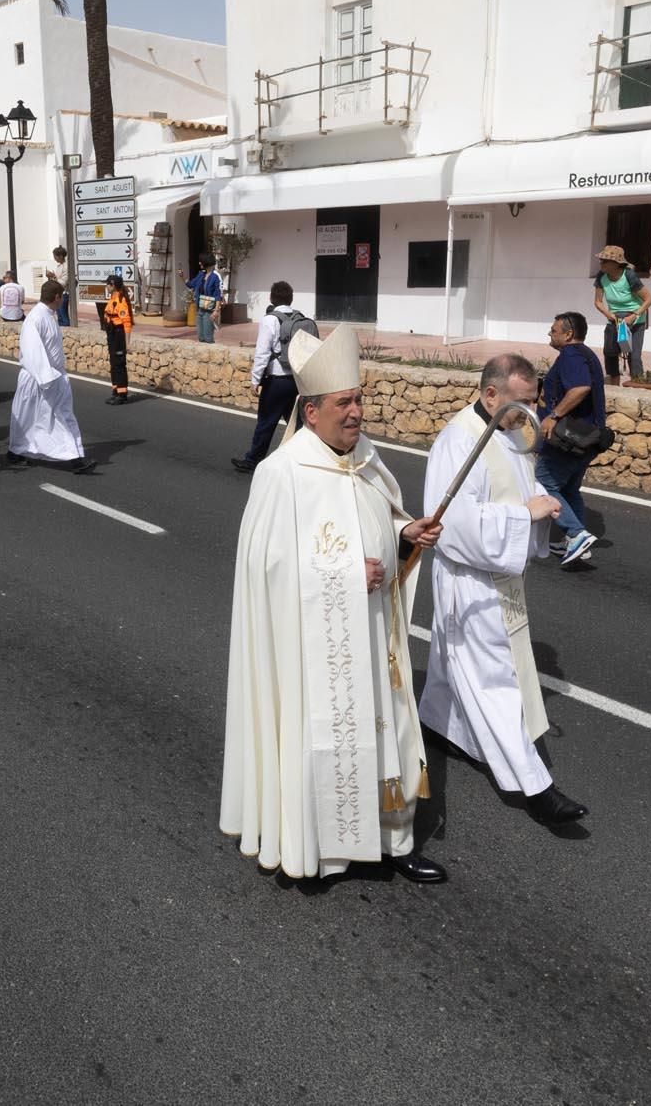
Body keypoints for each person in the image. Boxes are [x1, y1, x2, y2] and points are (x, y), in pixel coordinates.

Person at [220, 323, 447, 883]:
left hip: (375, 637)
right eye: (345, 402)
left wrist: (403, 537)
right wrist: (343, 576)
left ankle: (397, 842)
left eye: (360, 399)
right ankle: (316, 848)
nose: (357, 413)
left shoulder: (366, 459)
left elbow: (381, 526)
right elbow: (262, 570)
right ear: (312, 410)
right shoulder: (282, 474)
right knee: (320, 735)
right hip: (314, 648)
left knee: (387, 728)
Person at [419, 353, 589, 827]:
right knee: (497, 679)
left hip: (501, 574)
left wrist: (542, 501)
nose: (528, 415)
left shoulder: (509, 429)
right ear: (490, 395)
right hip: (471, 579)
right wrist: (524, 516)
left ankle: (439, 722)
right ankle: (536, 787)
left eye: (533, 404)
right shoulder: (458, 442)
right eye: (519, 404)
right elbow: (451, 523)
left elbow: (518, 484)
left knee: (451, 659)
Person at [536, 312, 608, 567]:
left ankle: (577, 534)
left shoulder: (571, 355)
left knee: (542, 483)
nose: (549, 333)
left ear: (568, 334)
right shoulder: (586, 354)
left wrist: (553, 416)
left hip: (569, 439)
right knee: (568, 488)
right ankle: (575, 540)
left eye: (554, 330)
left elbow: (580, 388)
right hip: (587, 438)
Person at [8, 280, 96, 474]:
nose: (62, 299)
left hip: (50, 377)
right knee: (28, 417)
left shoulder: (48, 315)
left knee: (60, 416)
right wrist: (46, 378)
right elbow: (32, 350)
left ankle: (75, 457)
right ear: (56, 297)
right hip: (39, 377)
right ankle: (17, 452)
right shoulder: (36, 318)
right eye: (62, 296)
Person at [231, 282, 310, 474]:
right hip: (297, 380)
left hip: (276, 380)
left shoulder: (270, 320)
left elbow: (262, 353)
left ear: (271, 299)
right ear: (291, 298)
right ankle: (307, 460)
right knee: (298, 424)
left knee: (266, 422)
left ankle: (252, 460)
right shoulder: (301, 318)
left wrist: (255, 379)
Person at [590, 244, 651, 384]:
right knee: (610, 352)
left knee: (634, 356)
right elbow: (598, 302)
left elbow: (649, 299)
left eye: (604, 261)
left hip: (635, 319)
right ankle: (614, 383)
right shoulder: (602, 276)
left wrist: (634, 316)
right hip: (615, 319)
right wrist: (609, 315)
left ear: (616, 263)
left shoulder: (629, 276)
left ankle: (637, 383)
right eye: (601, 260)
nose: (601, 263)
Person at [101, 274, 133, 405]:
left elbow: (127, 323)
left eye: (107, 284)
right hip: (112, 334)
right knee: (114, 364)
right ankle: (115, 391)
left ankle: (122, 394)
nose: (106, 286)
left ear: (112, 285)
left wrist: (127, 343)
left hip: (119, 334)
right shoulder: (113, 298)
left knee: (119, 364)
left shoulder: (121, 300)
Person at [185, 255, 223, 345]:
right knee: (201, 337)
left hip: (209, 311)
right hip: (200, 309)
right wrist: (182, 277)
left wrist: (216, 311)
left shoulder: (215, 277)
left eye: (201, 261)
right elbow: (191, 285)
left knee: (208, 337)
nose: (199, 263)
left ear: (206, 263)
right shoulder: (201, 275)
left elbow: (218, 295)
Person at [46, 246, 71, 325]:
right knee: (59, 316)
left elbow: (64, 282)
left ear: (60, 256)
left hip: (64, 294)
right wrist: (51, 276)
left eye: (55, 256)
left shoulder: (66, 266)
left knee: (63, 316)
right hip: (58, 294)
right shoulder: (59, 266)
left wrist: (53, 277)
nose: (54, 258)